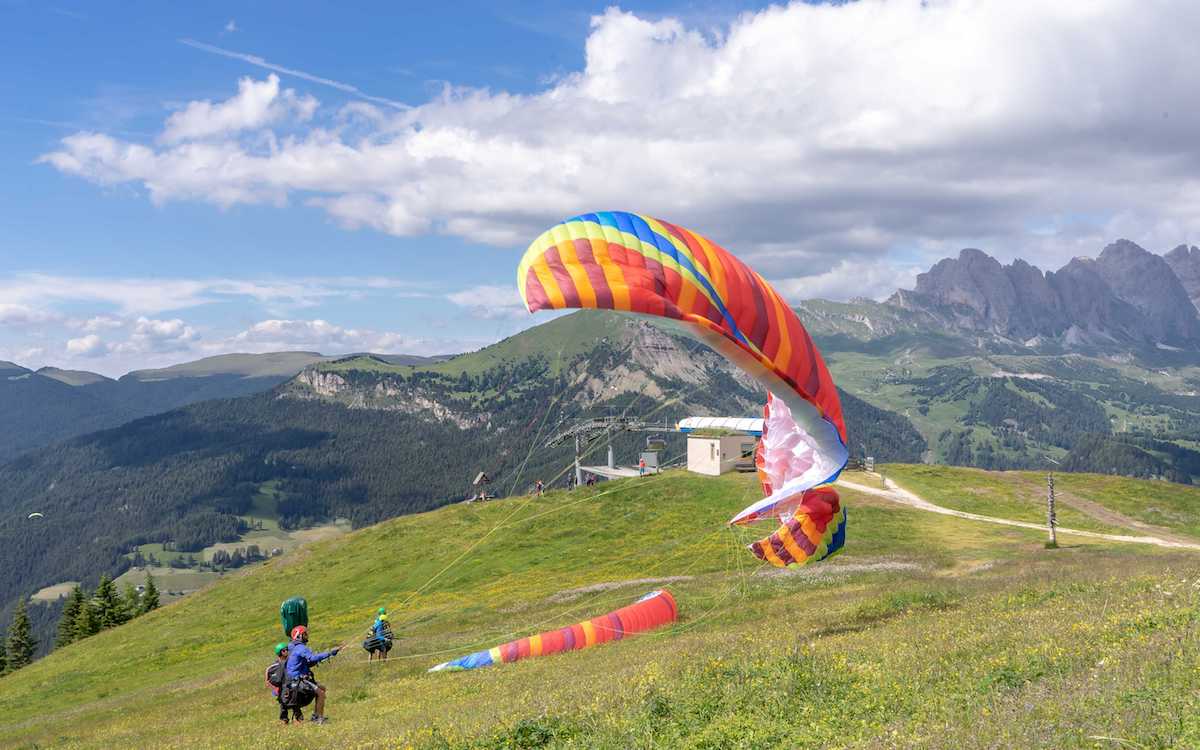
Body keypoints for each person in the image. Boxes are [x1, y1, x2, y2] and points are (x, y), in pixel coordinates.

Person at [284, 625, 339, 724]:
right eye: (305, 634)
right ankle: (318, 719)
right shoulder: (300, 647)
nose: (307, 635)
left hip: (295, 680)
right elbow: (312, 658)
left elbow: (306, 662)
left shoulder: (293, 647)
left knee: (322, 688)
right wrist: (329, 653)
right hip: (298, 681)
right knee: (321, 693)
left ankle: (316, 715)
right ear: (299, 636)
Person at [266, 642, 304, 724]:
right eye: (284, 650)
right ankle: (284, 720)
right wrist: (274, 689)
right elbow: (270, 679)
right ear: (280, 652)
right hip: (281, 688)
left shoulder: (291, 662)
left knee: (294, 701)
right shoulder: (275, 665)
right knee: (283, 704)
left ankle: (298, 718)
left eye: (287, 649)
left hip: (292, 685)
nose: (287, 651)